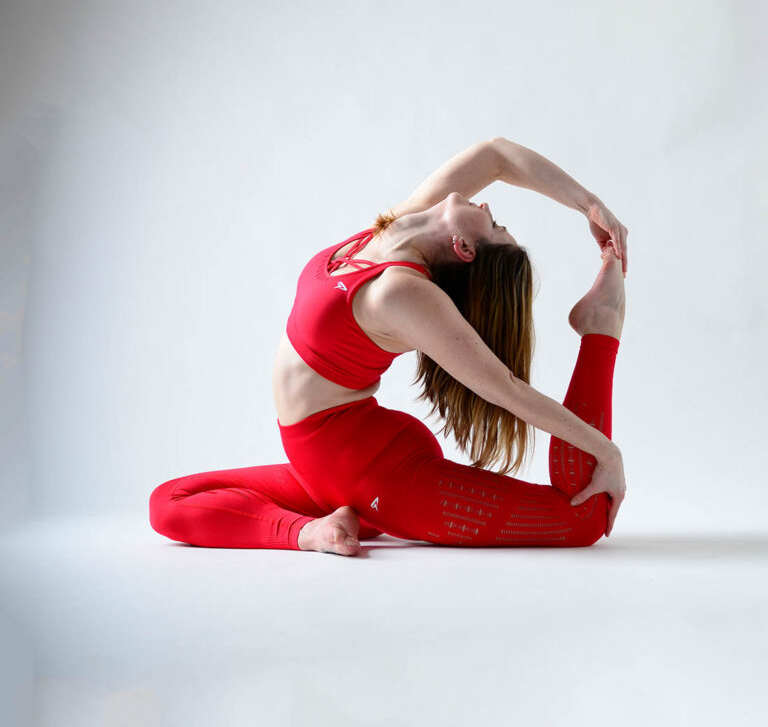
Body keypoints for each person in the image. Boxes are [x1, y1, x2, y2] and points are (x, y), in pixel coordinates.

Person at [149, 137, 629, 556]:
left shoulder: (401, 292)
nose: (486, 207)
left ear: (463, 247)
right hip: (328, 460)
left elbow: (505, 390)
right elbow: (498, 155)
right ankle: (333, 523)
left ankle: (600, 325)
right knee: (167, 501)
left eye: (494, 223)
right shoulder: (394, 229)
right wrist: (590, 205)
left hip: (374, 474)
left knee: (581, 519)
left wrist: (608, 455)